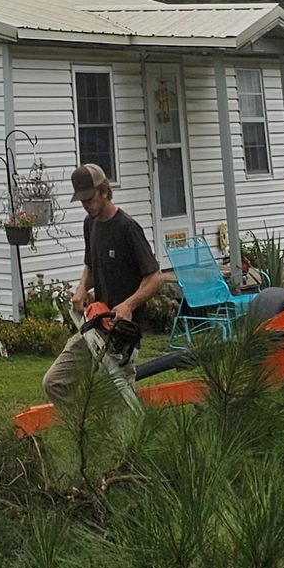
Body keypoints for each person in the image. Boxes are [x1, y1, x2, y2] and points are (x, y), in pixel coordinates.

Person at [42, 165, 169, 419]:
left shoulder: (127, 228)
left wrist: (129, 305)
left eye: (90, 198)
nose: (86, 205)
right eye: (82, 200)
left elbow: (156, 278)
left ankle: (128, 452)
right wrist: (80, 289)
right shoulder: (90, 224)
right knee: (54, 382)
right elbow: (90, 263)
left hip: (122, 333)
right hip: (95, 325)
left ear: (104, 191)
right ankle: (86, 431)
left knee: (120, 404)